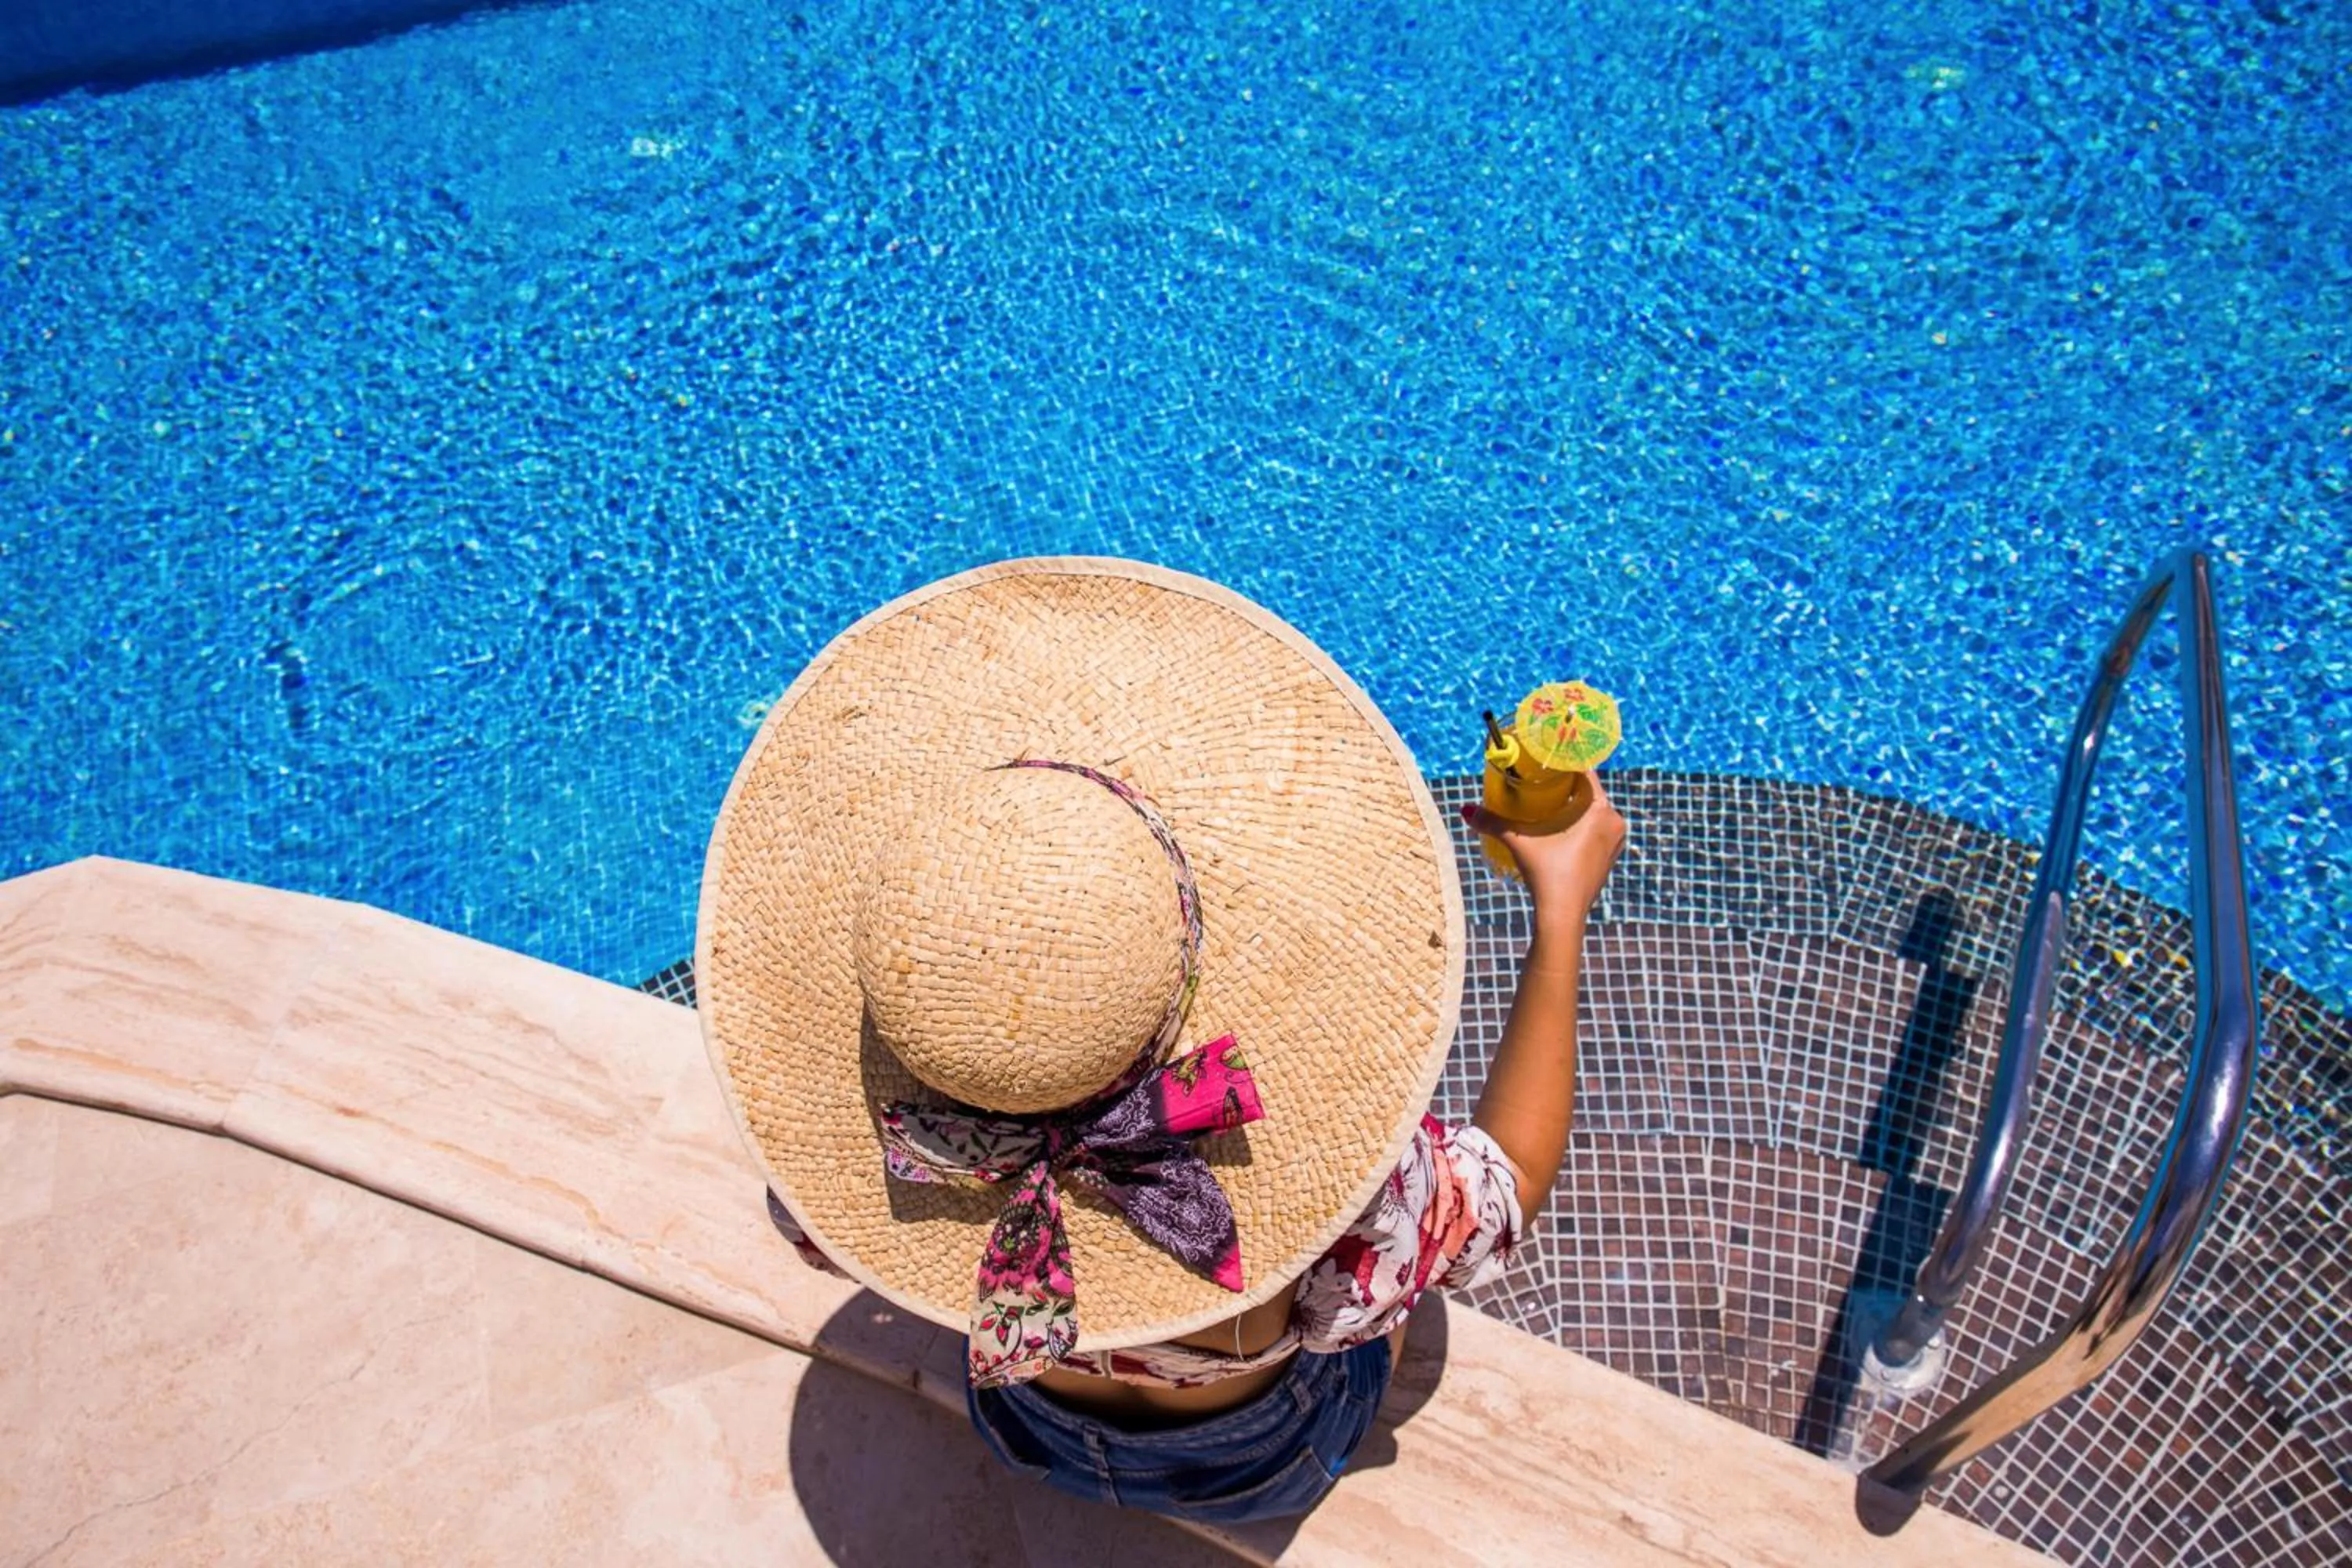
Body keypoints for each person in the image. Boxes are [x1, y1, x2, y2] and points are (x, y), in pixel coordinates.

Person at [695, 559, 1624, 1526]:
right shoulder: (1354, 1187)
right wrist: (1561, 910)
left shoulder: (885, 1156)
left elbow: (817, 1237)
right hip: (1251, 1454)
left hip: (1029, 1420)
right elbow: (1497, 1187)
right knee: (1374, 1306)